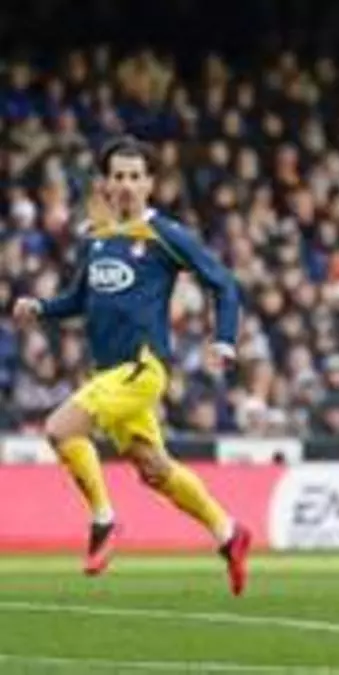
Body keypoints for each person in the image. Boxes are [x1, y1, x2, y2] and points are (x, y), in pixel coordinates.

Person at [11, 135, 251, 594]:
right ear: (105, 183)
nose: (126, 184)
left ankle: (104, 520)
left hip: (142, 369)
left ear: (150, 184)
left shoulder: (165, 234)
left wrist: (223, 339)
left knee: (60, 429)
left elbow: (223, 283)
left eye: (135, 176)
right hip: (110, 375)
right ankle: (228, 532)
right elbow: (79, 299)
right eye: (118, 176)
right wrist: (41, 308)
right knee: (153, 468)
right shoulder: (97, 238)